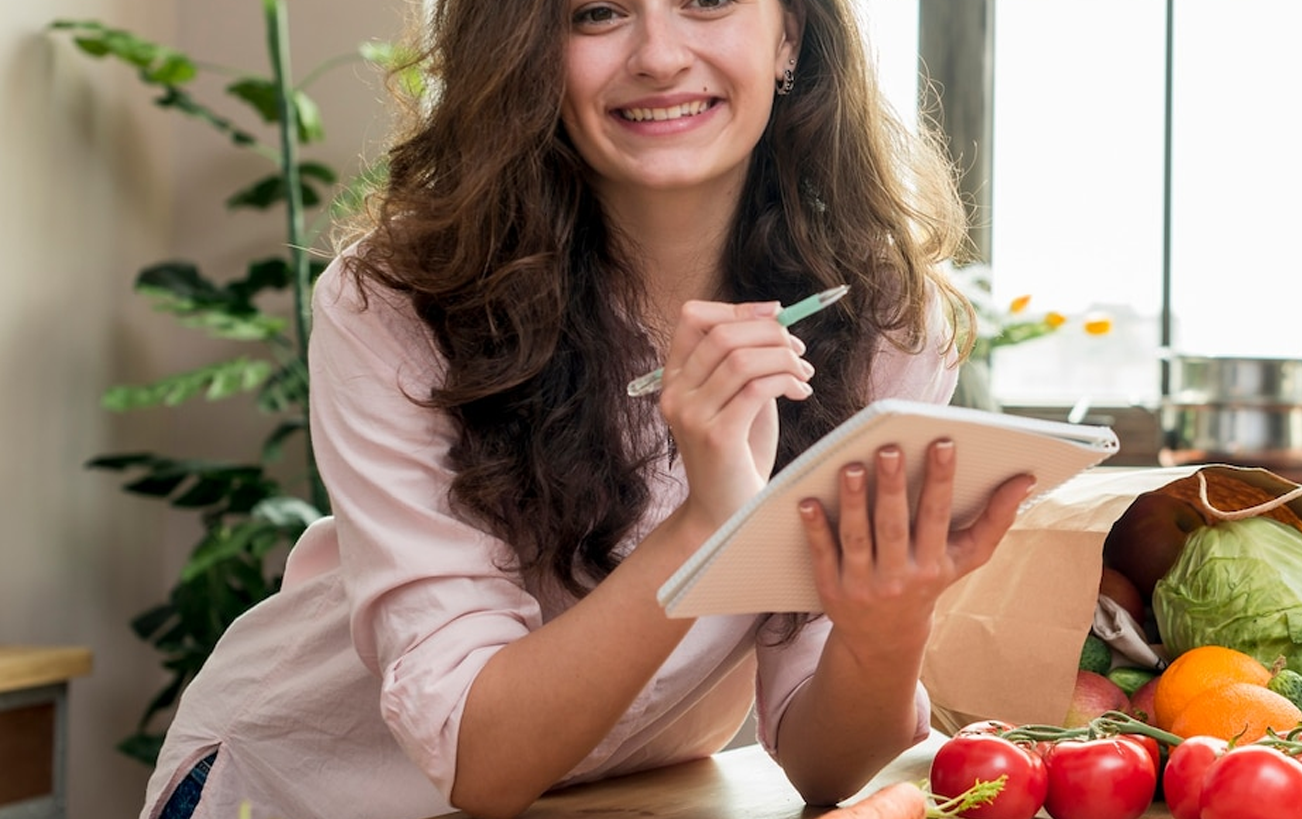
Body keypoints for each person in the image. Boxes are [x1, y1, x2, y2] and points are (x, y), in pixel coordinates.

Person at [138, 1, 1029, 817]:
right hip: (312, 792)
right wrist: (709, 522)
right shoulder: (399, 306)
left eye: (707, 0)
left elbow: (826, 764)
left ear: (789, 34)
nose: (659, 55)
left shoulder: (880, 327)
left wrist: (887, 622)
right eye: (597, 12)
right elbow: (478, 762)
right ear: (530, 55)